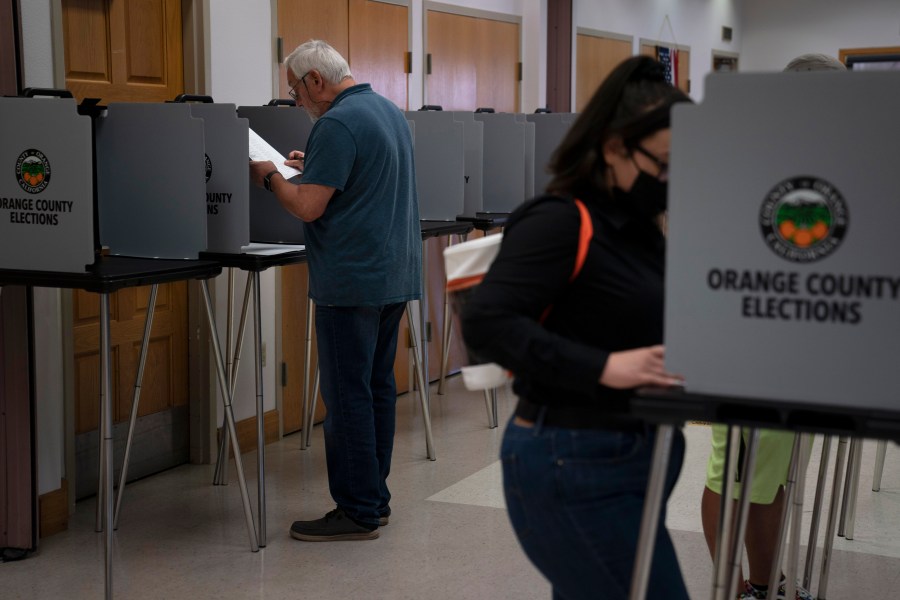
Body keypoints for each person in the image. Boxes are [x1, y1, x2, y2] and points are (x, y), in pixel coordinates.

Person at [461, 55, 691, 599]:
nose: (671, 180)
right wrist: (605, 367)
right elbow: (487, 323)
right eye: (662, 165)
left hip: (630, 458)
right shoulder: (559, 221)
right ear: (613, 148)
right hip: (573, 461)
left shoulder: (637, 228)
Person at [249, 39, 422, 541]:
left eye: (295, 92)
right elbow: (362, 180)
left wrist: (270, 179)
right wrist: (314, 168)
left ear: (315, 81)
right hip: (391, 277)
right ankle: (375, 498)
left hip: (352, 281)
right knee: (376, 389)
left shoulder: (337, 122)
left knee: (347, 396)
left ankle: (356, 510)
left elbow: (307, 208)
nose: (297, 102)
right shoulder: (387, 111)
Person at [700, 52, 846, 600]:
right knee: (734, 476)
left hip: (789, 350)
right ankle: (732, 589)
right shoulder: (758, 163)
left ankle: (766, 584)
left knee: (767, 478)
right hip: (747, 351)